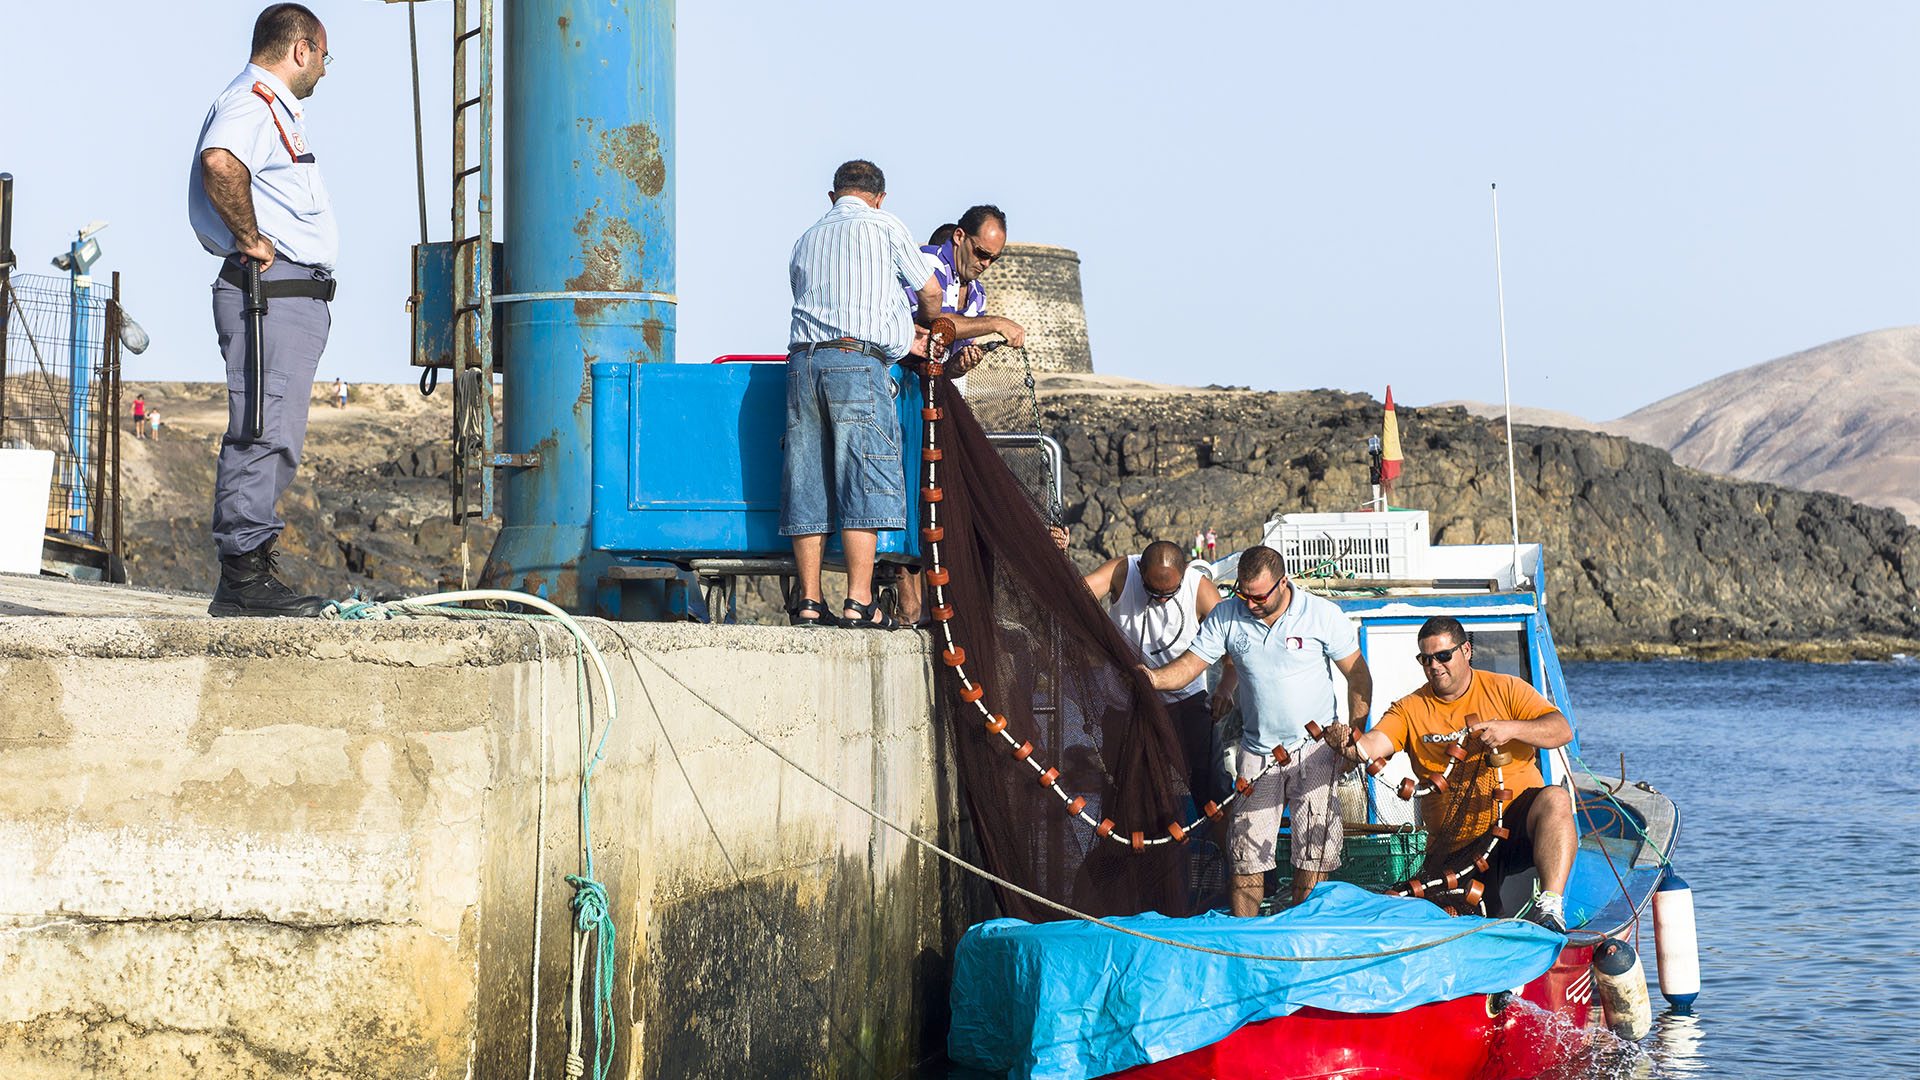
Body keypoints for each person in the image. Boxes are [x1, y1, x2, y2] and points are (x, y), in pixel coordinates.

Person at [784, 160, 1014, 630]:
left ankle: (808, 601)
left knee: (807, 483)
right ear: (879, 198)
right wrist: (928, 325)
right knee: (864, 480)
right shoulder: (886, 226)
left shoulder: (807, 237)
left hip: (802, 362)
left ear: (834, 196)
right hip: (857, 362)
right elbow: (929, 293)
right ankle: (859, 601)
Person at [188, 3, 335, 618]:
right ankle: (245, 579)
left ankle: (251, 570)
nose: (326, 70)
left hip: (284, 300)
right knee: (263, 430)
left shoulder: (273, 108)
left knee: (276, 432)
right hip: (267, 296)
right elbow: (221, 163)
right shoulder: (252, 100)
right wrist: (250, 239)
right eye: (325, 56)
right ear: (300, 49)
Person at [1145, 544, 1372, 915]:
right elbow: (1190, 665)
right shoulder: (1225, 615)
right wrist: (1152, 678)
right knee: (1245, 854)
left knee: (1314, 854)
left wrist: (1354, 737)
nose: (1249, 604)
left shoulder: (1322, 615)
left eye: (1259, 596)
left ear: (1284, 583)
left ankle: (1303, 934)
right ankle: (1244, 939)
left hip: (1315, 751)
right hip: (1257, 752)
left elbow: (1358, 674)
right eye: (1242, 594)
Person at [1328, 616, 1576, 932]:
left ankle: (1551, 906)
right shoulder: (1409, 709)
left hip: (1514, 825)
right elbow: (1372, 745)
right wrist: (1347, 741)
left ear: (1466, 650)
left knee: (1555, 797)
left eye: (1443, 655)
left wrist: (1510, 728)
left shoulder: (1506, 688)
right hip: (1457, 850)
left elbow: (1561, 729)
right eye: (1425, 659)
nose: (1434, 665)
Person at [894, 206, 1027, 624]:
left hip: (934, 396)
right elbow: (936, 326)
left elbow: (944, 354)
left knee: (934, 497)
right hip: (898, 391)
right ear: (959, 237)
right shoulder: (928, 263)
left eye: (993, 259)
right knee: (902, 489)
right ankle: (907, 596)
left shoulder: (978, 295)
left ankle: (938, 602)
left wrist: (960, 366)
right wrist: (995, 324)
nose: (985, 264)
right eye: (981, 253)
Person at [1084, 540, 1225, 807]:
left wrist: (1226, 688)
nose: (1161, 599)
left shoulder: (1200, 589)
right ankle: (1132, 847)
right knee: (1125, 792)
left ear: (1184, 572)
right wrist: (1060, 555)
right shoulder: (1122, 572)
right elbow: (1076, 593)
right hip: (1125, 705)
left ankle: (1221, 848)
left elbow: (1232, 647)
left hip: (1185, 702)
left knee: (1211, 787)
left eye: (1170, 592)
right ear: (1140, 569)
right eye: (1153, 591)